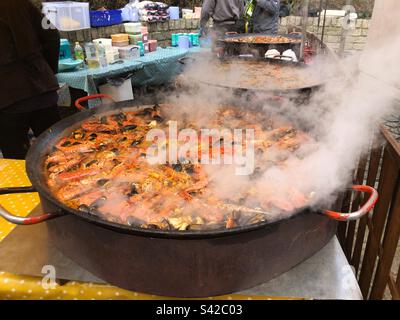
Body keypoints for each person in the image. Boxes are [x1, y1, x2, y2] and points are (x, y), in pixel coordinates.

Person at [0, 0, 61, 159]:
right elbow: (52, 36)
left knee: (16, 159)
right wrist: (47, 71)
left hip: (8, 97)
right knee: (57, 152)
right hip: (41, 88)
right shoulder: (21, 4)